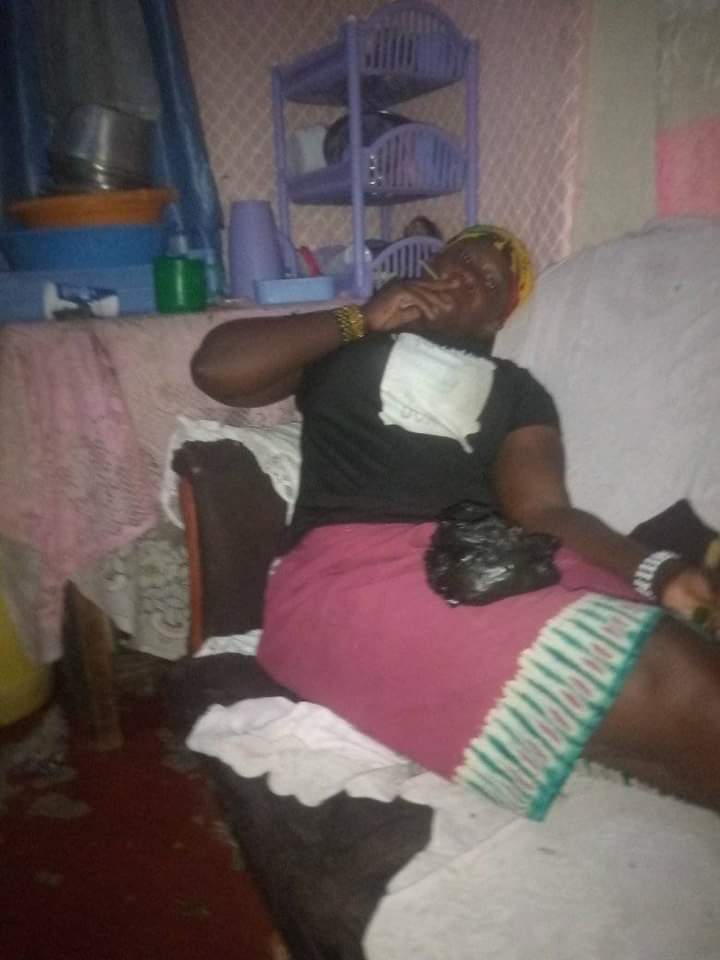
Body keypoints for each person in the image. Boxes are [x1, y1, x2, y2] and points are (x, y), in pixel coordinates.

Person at [192, 225, 720, 821]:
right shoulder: (347, 344)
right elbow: (216, 368)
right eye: (458, 258)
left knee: (683, 670)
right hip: (350, 574)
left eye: (489, 279)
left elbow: (544, 512)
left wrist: (657, 571)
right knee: (672, 677)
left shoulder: (516, 389)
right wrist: (359, 319)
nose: (467, 272)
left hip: (486, 561)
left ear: (497, 319)